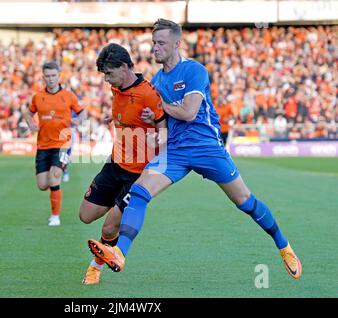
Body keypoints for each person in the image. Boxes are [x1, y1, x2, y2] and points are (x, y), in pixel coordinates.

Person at [87, 19, 302, 279]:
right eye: (154, 43)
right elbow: (160, 121)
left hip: (206, 147)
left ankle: (283, 245)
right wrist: (150, 125)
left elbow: (189, 113)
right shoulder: (156, 80)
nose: (155, 48)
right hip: (175, 150)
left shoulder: (194, 71)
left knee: (245, 202)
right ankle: (119, 253)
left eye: (161, 43)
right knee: (139, 192)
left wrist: (161, 108)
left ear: (177, 44)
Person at [79, 43, 166, 284]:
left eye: (109, 73)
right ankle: (117, 220)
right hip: (115, 164)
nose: (107, 80)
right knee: (85, 215)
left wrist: (155, 162)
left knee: (108, 229)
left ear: (125, 67)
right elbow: (125, 118)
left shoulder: (148, 94)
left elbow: (164, 132)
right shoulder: (118, 90)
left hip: (137, 176)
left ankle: (96, 267)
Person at [23, 61, 86, 226]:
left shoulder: (68, 96)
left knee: (54, 177)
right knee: (42, 184)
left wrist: (78, 120)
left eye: (53, 76)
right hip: (43, 146)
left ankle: (55, 216)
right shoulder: (38, 97)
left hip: (62, 143)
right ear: (43, 77)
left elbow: (82, 112)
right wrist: (30, 124)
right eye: (47, 76)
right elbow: (28, 113)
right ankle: (62, 168)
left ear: (59, 76)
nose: (51, 79)